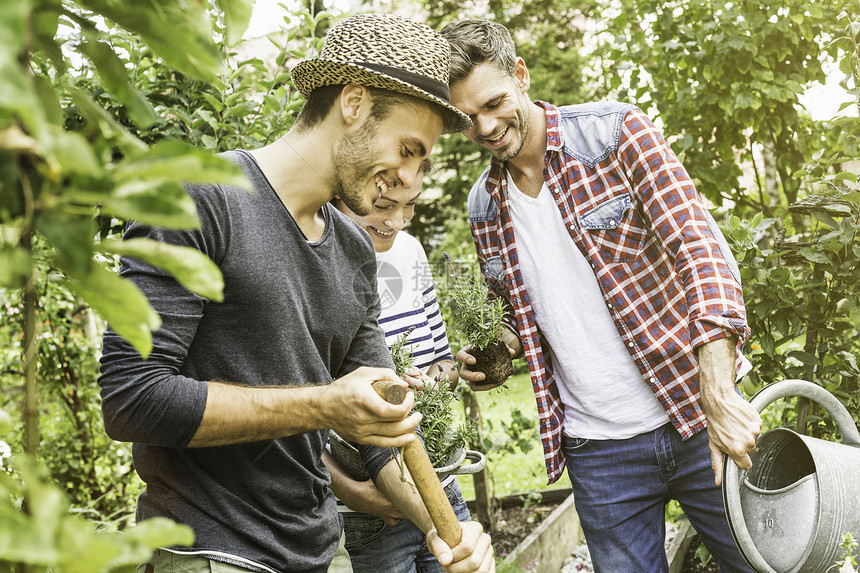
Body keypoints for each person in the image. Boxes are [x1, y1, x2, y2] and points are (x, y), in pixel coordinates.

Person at [98, 13, 493, 573]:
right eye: (407, 149)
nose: (412, 180)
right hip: (212, 552)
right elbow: (131, 398)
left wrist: (445, 528)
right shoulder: (197, 196)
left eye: (422, 163)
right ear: (353, 104)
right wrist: (321, 405)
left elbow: (386, 425)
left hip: (321, 553)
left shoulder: (355, 250)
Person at [440, 18, 762, 572]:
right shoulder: (483, 206)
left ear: (520, 74)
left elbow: (702, 251)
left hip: (694, 413)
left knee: (764, 563)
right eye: (468, 119)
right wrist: (496, 352)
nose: (487, 127)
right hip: (599, 451)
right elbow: (519, 316)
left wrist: (717, 389)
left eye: (494, 103)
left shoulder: (617, 134)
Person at [327, 159, 469, 573]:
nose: (398, 221)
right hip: (369, 513)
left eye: (409, 205)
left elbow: (444, 361)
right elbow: (298, 415)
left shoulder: (411, 251)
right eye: (384, 205)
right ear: (341, 195)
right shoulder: (317, 269)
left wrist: (433, 383)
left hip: (439, 486)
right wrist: (351, 490)